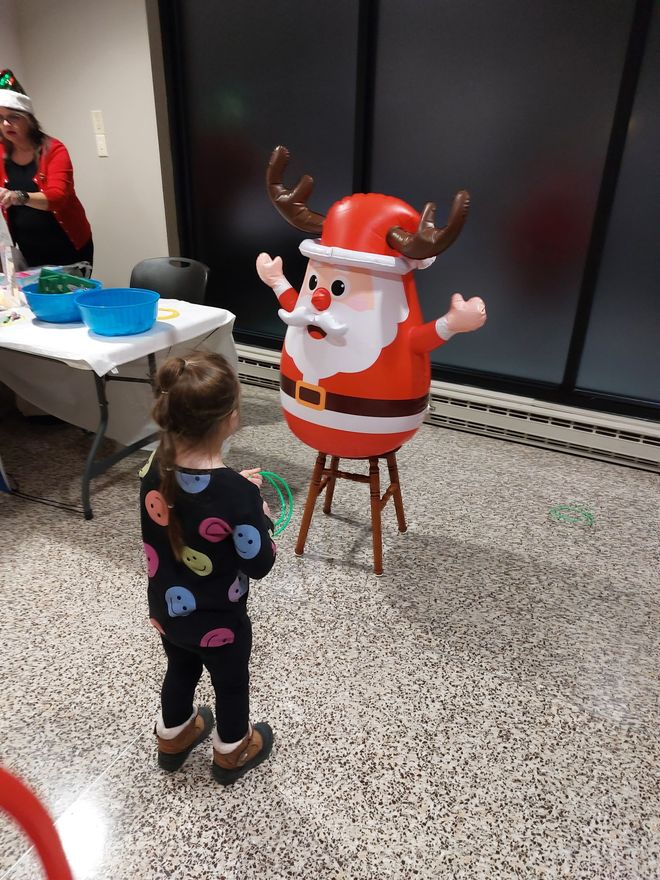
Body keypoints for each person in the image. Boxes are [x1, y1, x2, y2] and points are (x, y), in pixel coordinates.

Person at [140, 352, 277, 786]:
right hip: (220, 622)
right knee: (231, 685)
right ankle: (233, 750)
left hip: (167, 611)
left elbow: (194, 504)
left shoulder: (153, 468)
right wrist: (260, 514)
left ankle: (174, 738)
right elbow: (260, 563)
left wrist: (239, 491)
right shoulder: (237, 495)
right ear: (230, 418)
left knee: (180, 669)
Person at [0, 70, 93, 268]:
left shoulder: (54, 150)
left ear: (28, 118)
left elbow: (57, 198)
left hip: (68, 248)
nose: (6, 124)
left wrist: (17, 196)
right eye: (0, 118)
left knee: (68, 289)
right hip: (28, 250)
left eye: (13, 117)